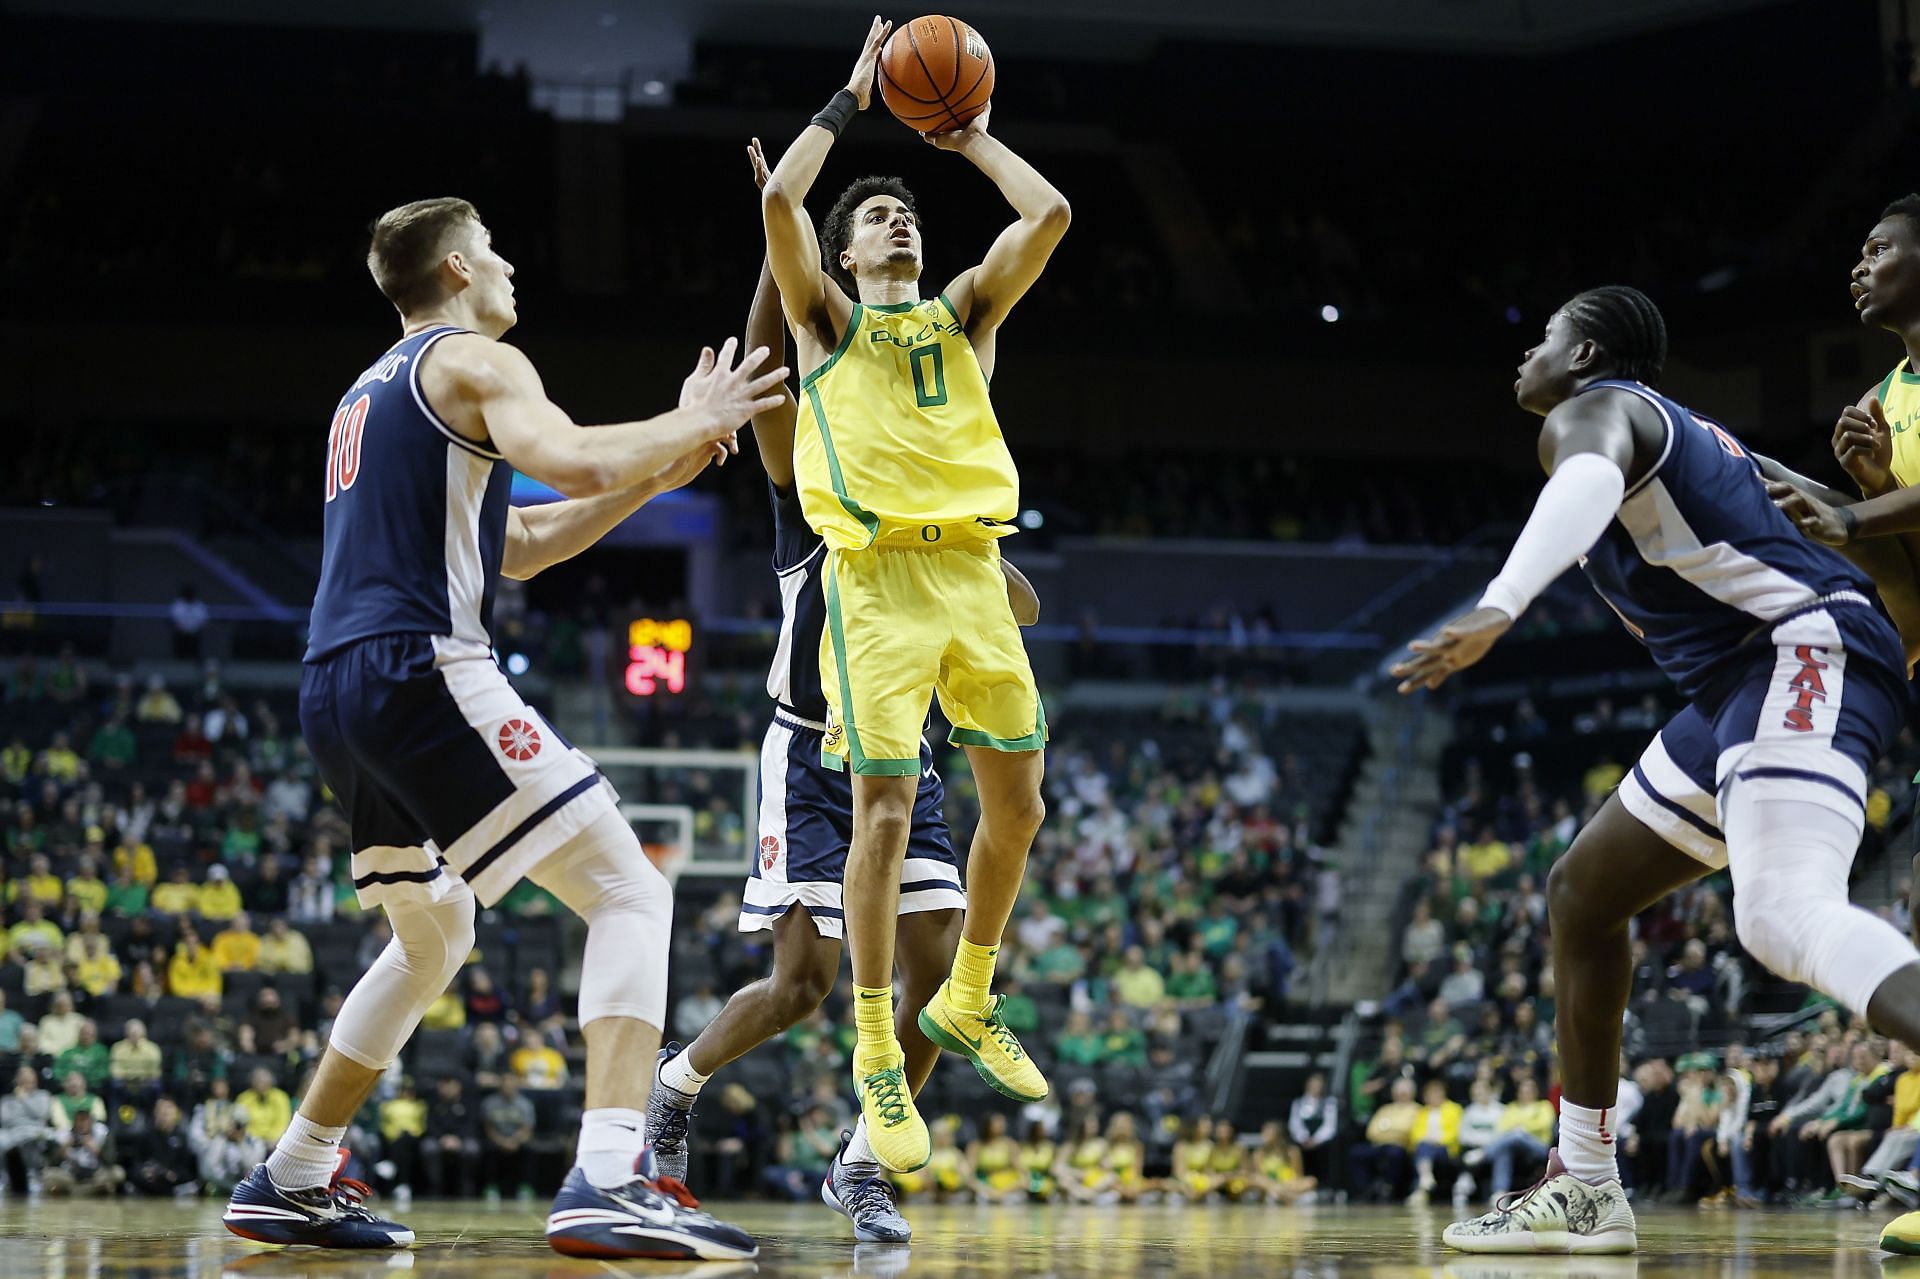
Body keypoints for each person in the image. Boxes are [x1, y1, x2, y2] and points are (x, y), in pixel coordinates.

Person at [221, 196, 780, 1259]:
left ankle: (292, 1172)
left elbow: (519, 540)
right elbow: (567, 458)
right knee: (628, 885)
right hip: (420, 661)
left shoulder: (370, 392)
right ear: (454, 269)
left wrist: (662, 468)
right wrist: (696, 418)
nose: (511, 265)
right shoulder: (476, 360)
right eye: (494, 251)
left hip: (334, 687)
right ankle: (610, 1174)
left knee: (435, 934)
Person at [1395, 285, 1920, 1254]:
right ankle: (1587, 1182)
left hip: (1795, 652)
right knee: (1584, 895)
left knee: (1782, 917)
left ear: (1588, 354)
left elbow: (1587, 479)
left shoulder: (1601, 414)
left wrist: (1502, 604)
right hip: (1742, 680)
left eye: (1545, 337)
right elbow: (1835, 525)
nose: (1527, 357)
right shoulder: (1695, 436)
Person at [647, 133, 1041, 1247]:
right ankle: (676, 1085)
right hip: (806, 752)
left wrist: (986, 568)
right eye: (865, 225)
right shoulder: (802, 479)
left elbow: (1020, 606)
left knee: (938, 990)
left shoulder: (927, 452)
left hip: (902, 751)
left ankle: (864, 1163)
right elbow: (776, 362)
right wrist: (783, 249)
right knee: (801, 987)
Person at [758, 17, 1068, 1174]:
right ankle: (878, 1051)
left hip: (975, 573)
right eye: (878, 218)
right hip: (876, 582)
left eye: (909, 215)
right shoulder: (828, 321)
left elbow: (1049, 218)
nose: (899, 220)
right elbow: (783, 209)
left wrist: (971, 136)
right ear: (844, 258)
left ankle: (971, 997)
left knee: (1022, 808)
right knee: (885, 813)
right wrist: (847, 102)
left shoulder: (969, 315)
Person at [125, 1095, 198, 1197]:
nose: (164, 1114)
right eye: (160, 1111)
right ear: (155, 1113)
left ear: (176, 1113)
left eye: (168, 1111)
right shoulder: (145, 1136)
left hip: (175, 1185)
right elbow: (135, 1165)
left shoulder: (182, 1137)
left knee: (191, 1188)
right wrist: (144, 1172)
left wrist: (174, 1175)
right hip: (149, 1184)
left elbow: (189, 1169)